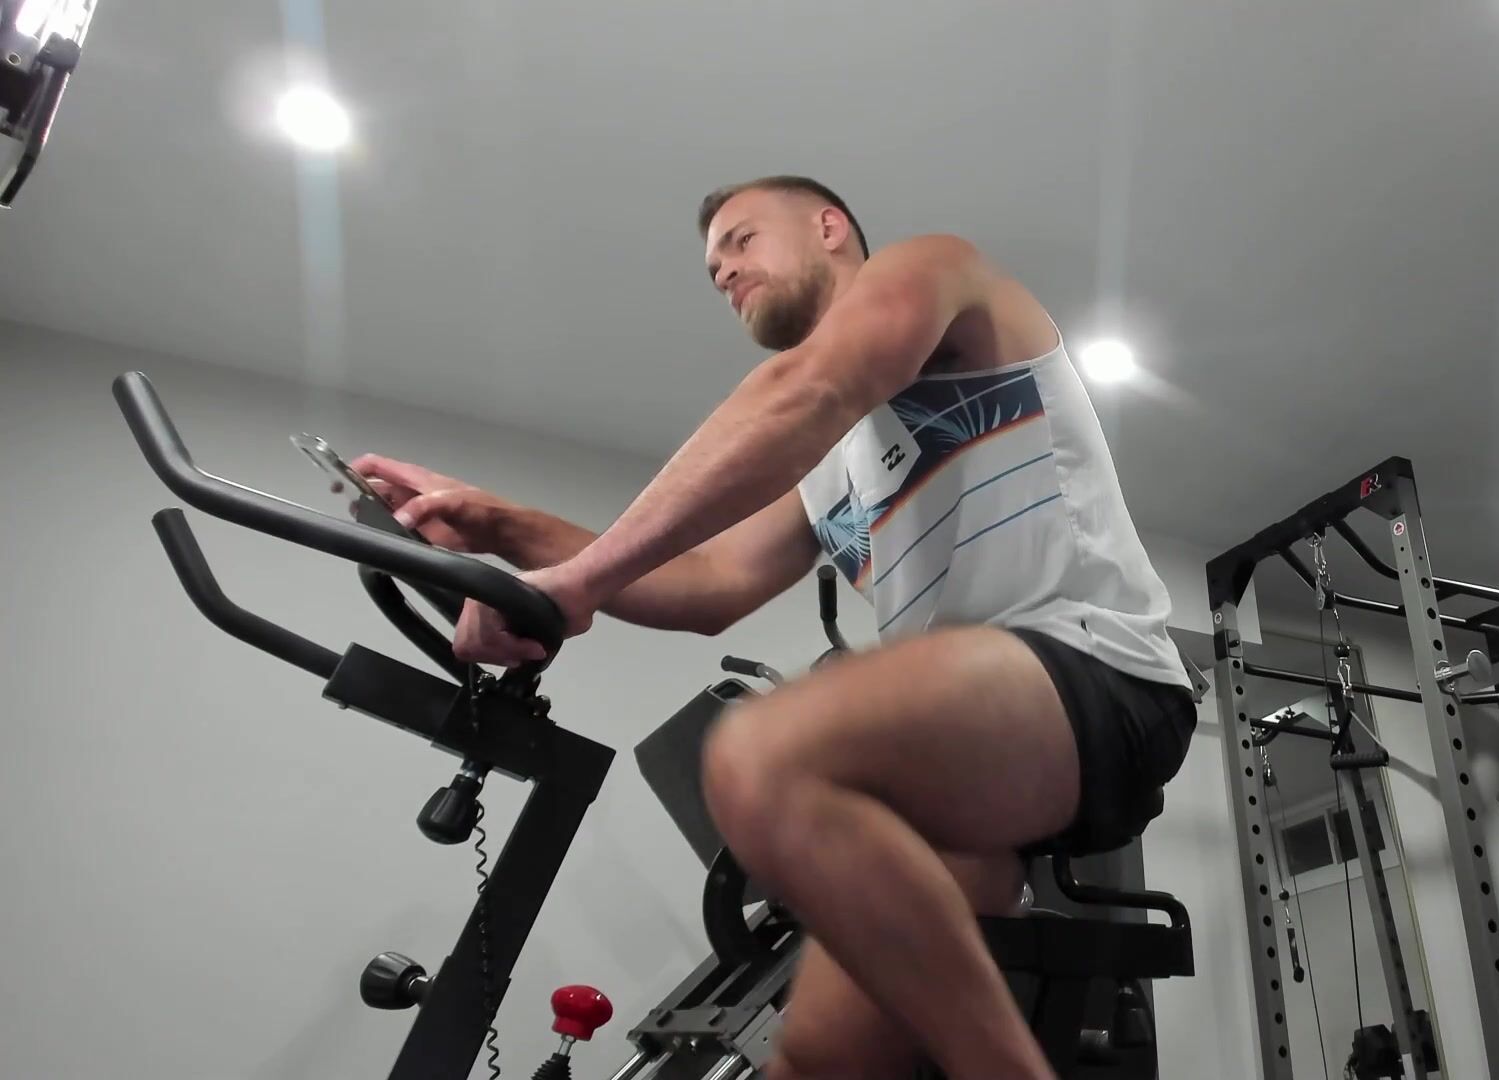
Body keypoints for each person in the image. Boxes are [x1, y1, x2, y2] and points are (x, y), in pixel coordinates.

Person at [353, 175, 1197, 1080]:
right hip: (970, 760)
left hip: (1098, 673)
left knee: (764, 753)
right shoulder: (828, 467)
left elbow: (814, 384)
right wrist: (501, 526)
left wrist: (579, 583)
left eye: (741, 240)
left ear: (829, 227)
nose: (722, 270)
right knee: (821, 1054)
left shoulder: (937, 272)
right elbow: (710, 584)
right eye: (712, 265)